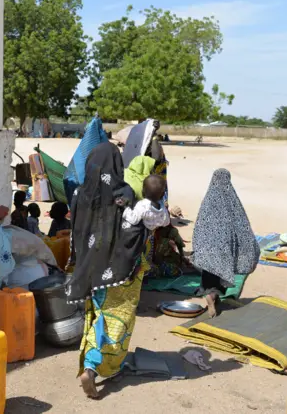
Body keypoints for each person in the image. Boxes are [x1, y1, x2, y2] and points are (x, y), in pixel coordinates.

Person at [65, 143, 164, 399]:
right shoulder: (125, 192)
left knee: (97, 315)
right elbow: (137, 229)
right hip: (121, 271)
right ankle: (95, 366)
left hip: (90, 268)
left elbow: (77, 232)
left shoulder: (78, 194)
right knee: (116, 318)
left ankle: (90, 361)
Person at [192, 169, 260, 317]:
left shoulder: (208, 200)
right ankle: (215, 296)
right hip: (224, 251)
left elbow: (199, 225)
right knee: (220, 275)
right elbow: (242, 225)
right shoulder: (232, 202)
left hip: (208, 249)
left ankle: (209, 296)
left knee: (208, 275)